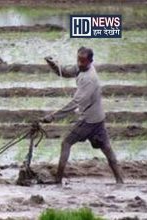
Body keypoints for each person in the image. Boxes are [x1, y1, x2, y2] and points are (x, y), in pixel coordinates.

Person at [41, 46, 124, 184]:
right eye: (78, 60)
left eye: (83, 61)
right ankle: (120, 181)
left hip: (88, 120)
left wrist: (53, 116)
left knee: (66, 142)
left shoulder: (89, 79)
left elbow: (76, 102)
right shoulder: (81, 68)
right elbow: (65, 72)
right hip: (98, 118)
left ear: (90, 61)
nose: (79, 63)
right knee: (107, 149)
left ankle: (58, 180)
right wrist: (53, 65)